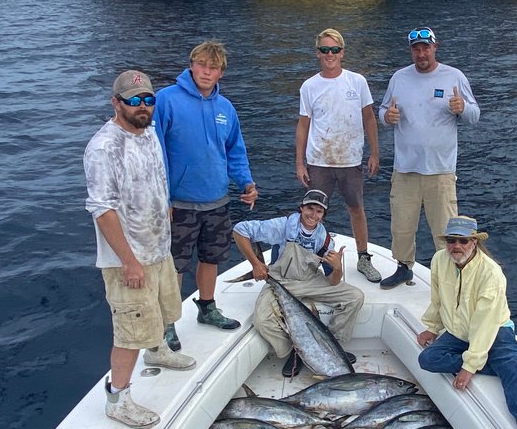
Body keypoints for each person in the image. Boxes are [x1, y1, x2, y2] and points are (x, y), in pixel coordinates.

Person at [84, 70, 197, 429]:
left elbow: (154, 179)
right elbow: (102, 208)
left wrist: (164, 212)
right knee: (129, 332)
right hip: (128, 261)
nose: (142, 106)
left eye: (149, 99)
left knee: (164, 310)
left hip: (157, 247)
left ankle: (159, 350)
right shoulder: (104, 147)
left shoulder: (148, 133)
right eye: (134, 101)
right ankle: (118, 398)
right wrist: (128, 261)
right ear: (116, 103)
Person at [416, 216, 517, 429]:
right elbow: (437, 298)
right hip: (457, 331)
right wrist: (432, 327)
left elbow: (486, 322)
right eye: (451, 240)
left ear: (474, 242)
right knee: (428, 359)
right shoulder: (439, 260)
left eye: (463, 241)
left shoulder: (491, 272)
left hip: (495, 330)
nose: (456, 246)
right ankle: (499, 367)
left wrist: (469, 366)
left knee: (515, 365)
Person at [152, 40, 259, 344]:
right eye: (201, 65)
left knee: (211, 258)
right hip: (179, 203)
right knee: (174, 264)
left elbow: (235, 151)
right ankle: (168, 321)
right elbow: (155, 153)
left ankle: (207, 307)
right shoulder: (166, 100)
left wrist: (247, 184)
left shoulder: (226, 108)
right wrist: (163, 197)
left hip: (217, 201)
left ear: (221, 72)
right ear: (191, 65)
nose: (206, 72)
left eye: (213, 67)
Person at [377, 27, 479, 289]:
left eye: (425, 47)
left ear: (435, 47)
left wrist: (462, 108)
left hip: (441, 170)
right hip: (405, 168)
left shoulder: (454, 76)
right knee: (401, 226)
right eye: (416, 48)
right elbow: (383, 111)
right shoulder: (399, 77)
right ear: (411, 51)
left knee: (444, 230)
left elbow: (475, 115)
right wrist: (386, 118)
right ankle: (403, 268)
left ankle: (449, 277)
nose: (421, 53)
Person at [233, 189, 365, 377]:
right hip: (281, 280)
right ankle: (295, 351)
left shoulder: (325, 239)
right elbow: (240, 230)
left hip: (310, 279)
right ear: (301, 208)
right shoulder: (283, 226)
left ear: (323, 215)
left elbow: (333, 282)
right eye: (310, 208)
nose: (313, 215)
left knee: (355, 297)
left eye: (319, 211)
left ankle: (332, 344)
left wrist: (337, 268)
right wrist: (256, 264)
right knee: (261, 321)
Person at [294, 28, 383, 283]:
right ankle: (308, 261)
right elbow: (303, 125)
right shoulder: (309, 86)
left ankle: (363, 257)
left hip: (350, 160)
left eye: (334, 49)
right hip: (319, 161)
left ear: (342, 53)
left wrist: (375, 153)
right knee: (312, 212)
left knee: (356, 208)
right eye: (324, 50)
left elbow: (369, 117)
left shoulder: (358, 82)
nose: (329, 54)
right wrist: (300, 163)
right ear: (317, 54)